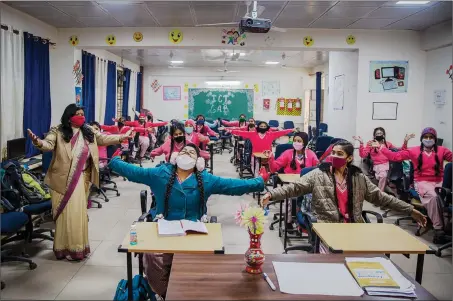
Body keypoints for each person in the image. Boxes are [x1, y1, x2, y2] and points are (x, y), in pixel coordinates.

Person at [109, 143, 269, 298]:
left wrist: (259, 182)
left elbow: (232, 186)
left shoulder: (205, 179)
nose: (187, 154)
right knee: (152, 255)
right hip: (162, 232)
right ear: (175, 157)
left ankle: (184, 292)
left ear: (199, 161)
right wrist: (115, 162)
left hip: (193, 234)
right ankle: (165, 293)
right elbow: (134, 172)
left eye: (192, 153)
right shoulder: (160, 173)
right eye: (184, 151)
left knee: (193, 265)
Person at [261, 140, 427, 249]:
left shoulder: (358, 177)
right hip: (327, 229)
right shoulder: (318, 175)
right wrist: (271, 195)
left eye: (339, 154)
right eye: (333, 153)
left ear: (349, 158)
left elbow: (381, 197)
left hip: (354, 229)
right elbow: (294, 188)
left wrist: (410, 210)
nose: (334, 156)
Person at [27, 104, 131, 261]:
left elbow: (103, 138)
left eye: (83, 114)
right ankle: (62, 249)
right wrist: (37, 142)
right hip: (62, 180)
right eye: (78, 114)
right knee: (64, 216)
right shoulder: (58, 131)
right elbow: (47, 145)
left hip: (82, 179)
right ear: (69, 116)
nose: (81, 117)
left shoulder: (88, 130)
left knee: (77, 215)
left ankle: (77, 248)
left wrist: (121, 137)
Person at [381, 127, 452, 243]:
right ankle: (439, 231)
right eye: (426, 137)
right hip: (422, 182)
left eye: (431, 137)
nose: (428, 139)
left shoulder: (442, 150)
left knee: (444, 196)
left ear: (435, 139)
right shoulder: (413, 151)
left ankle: (446, 224)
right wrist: (382, 148)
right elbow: (395, 156)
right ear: (421, 139)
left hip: (439, 181)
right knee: (434, 197)